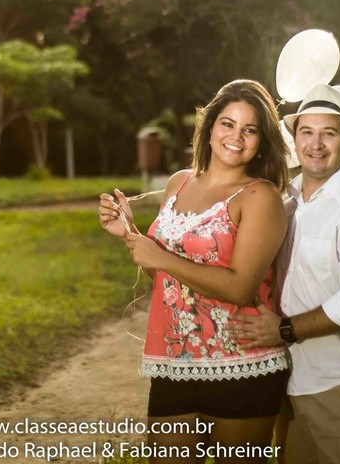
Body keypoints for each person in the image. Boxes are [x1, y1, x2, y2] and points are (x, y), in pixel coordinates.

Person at [98, 79, 294, 464]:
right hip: (175, 362)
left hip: (242, 363)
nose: (236, 137)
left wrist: (161, 258)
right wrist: (130, 234)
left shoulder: (260, 196)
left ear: (261, 141)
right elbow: (167, 279)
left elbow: (240, 288)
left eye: (250, 129)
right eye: (228, 124)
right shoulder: (179, 182)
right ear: (209, 127)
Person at [230, 82, 340, 464]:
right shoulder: (283, 203)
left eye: (329, 133)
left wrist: (282, 329)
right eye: (306, 132)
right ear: (295, 139)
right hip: (291, 383)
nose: (316, 144)